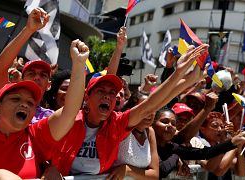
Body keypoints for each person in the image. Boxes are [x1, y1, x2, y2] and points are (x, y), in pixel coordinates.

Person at [51, 44, 210, 176]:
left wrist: (180, 74)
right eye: (101, 91)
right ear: (86, 97)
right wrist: (48, 168)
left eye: (112, 93)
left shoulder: (116, 123)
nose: (108, 96)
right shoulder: (68, 120)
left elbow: (151, 104)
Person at [0, 32, 89, 179]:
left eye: (30, 103)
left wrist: (79, 64)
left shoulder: (36, 137)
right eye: (16, 99)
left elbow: (69, 111)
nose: (24, 105)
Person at [0, 8, 53, 124]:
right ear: (21, 79)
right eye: (31, 73)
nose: (36, 77)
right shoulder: (6, 102)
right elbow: (0, 69)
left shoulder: (50, 117)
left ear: (49, 85)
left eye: (43, 75)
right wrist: (29, 30)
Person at [152, 108, 245, 178]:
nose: (170, 125)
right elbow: (162, 170)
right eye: (164, 121)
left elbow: (204, 153)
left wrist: (232, 141)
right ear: (152, 123)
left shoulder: (172, 147)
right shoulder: (146, 143)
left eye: (173, 123)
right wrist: (176, 157)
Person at [109, 91, 159, 179]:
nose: (150, 113)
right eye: (144, 108)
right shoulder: (121, 127)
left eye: (153, 109)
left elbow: (154, 175)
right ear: (132, 110)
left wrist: (128, 170)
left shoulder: (150, 132)